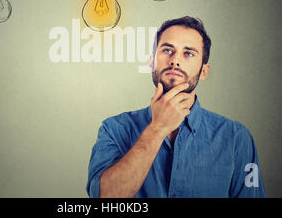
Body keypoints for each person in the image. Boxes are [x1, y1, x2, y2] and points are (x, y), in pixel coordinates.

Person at [86, 16, 266, 198]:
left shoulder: (236, 138)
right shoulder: (114, 129)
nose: (175, 61)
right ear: (151, 63)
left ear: (203, 71)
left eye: (188, 53)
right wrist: (158, 128)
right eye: (167, 50)